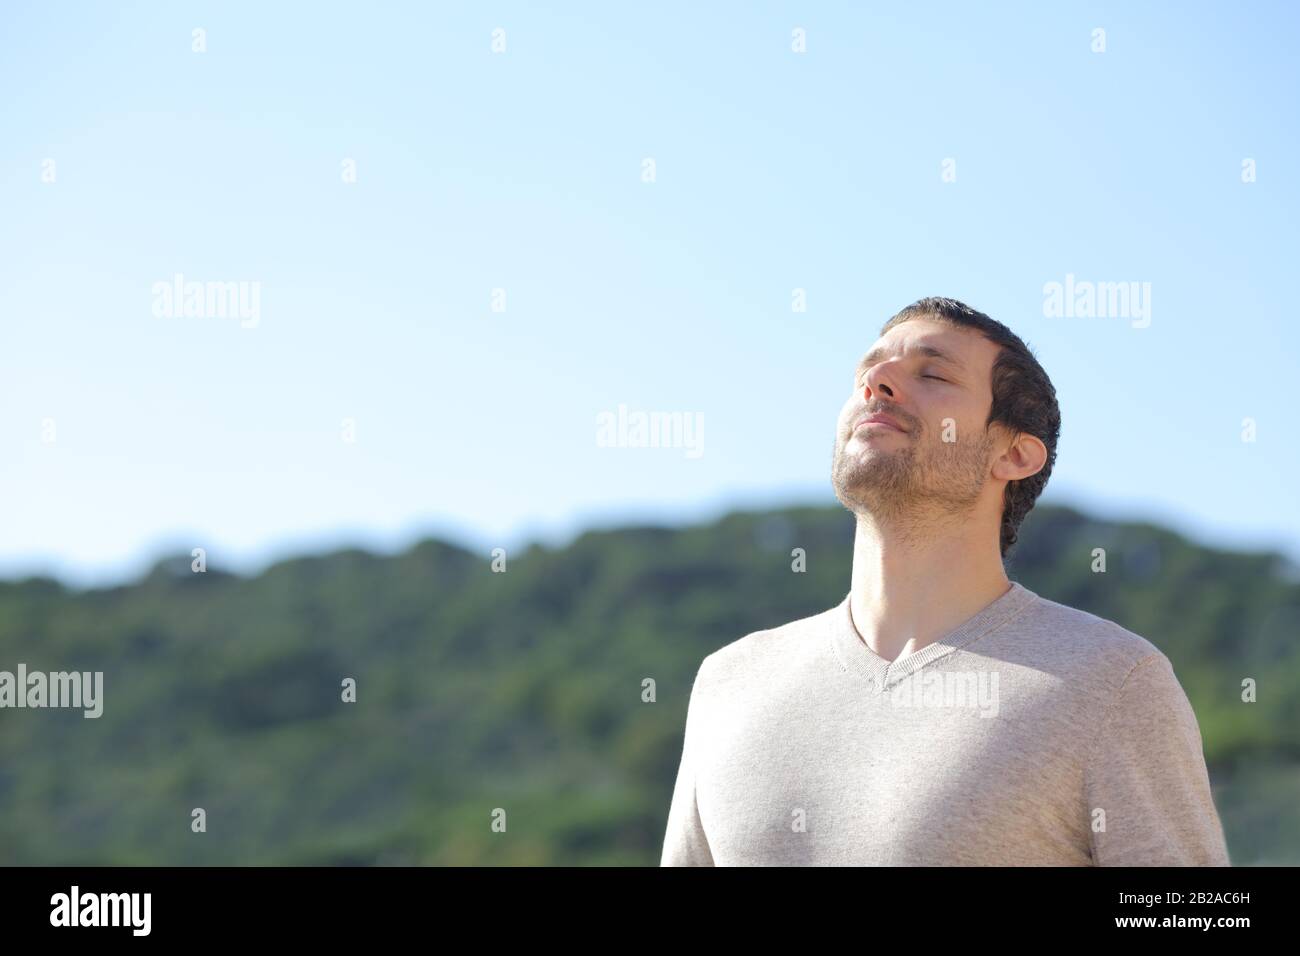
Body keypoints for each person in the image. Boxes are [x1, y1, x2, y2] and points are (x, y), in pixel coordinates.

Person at [660, 296, 1231, 866]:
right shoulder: (729, 682)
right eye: (868, 369)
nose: (876, 381)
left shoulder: (1111, 681)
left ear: (1012, 454)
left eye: (932, 373)